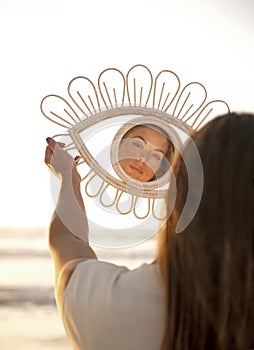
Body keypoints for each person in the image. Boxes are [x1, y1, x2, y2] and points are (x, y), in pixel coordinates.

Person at [44, 112, 254, 350]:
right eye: (137, 143)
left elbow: (66, 238)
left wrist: (69, 176)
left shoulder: (111, 307)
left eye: (158, 156)